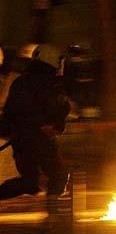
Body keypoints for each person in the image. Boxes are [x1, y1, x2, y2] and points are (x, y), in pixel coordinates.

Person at [0, 44, 70, 200]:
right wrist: (48, 125)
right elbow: (60, 108)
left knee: (30, 182)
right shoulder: (50, 84)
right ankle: (54, 214)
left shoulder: (21, 82)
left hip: (21, 141)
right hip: (40, 139)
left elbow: (12, 113)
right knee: (58, 177)